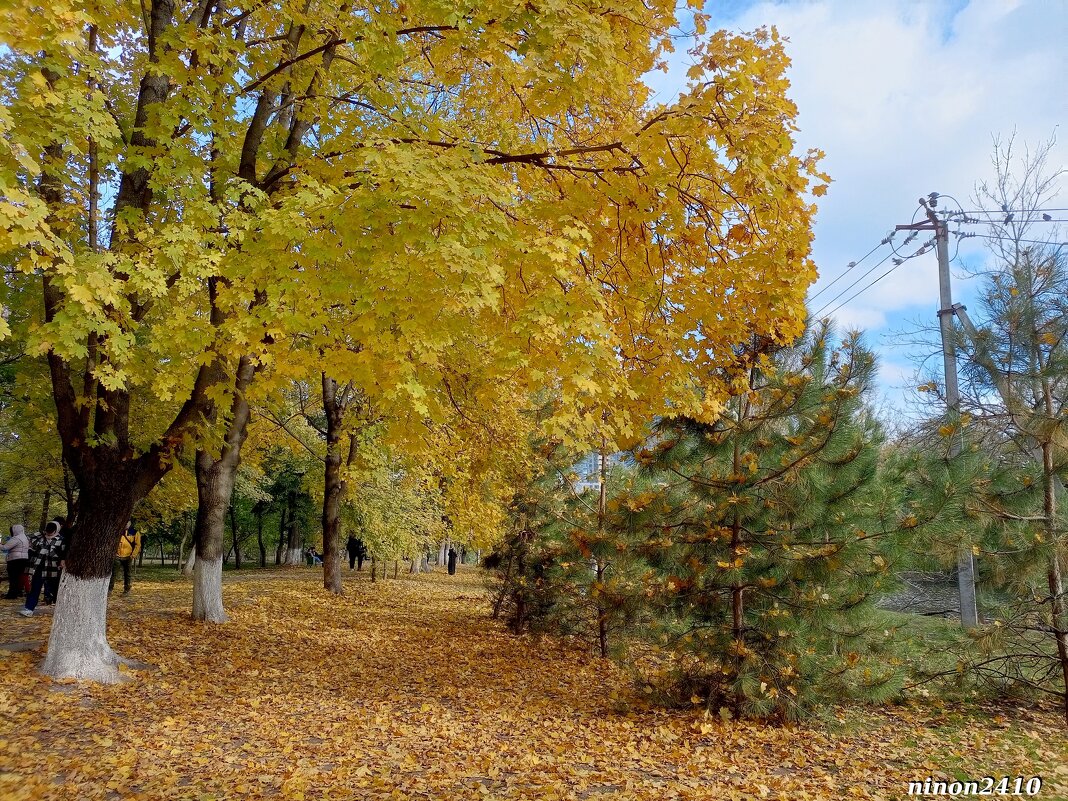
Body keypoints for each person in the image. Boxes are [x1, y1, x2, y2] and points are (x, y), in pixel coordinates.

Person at [20, 520, 66, 617]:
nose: (48, 534)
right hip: (39, 567)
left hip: (53, 568)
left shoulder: (61, 540)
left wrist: (62, 561)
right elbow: (31, 546)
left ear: (56, 531)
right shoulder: (39, 537)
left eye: (51, 532)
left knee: (55, 589)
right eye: (47, 531)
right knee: (35, 588)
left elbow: (63, 554)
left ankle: (62, 610)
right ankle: (29, 608)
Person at [108, 522, 141, 596]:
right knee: (113, 574)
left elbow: (137, 545)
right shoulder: (117, 530)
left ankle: (127, 590)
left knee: (127, 574)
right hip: (117, 556)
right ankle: (109, 590)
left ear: (130, 523)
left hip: (128, 556)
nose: (126, 524)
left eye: (127, 522)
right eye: (125, 522)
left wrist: (133, 555)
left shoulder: (134, 532)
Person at [2, 524, 30, 599]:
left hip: (15, 560)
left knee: (13, 577)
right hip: (24, 559)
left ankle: (12, 594)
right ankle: (18, 592)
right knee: (19, 577)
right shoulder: (25, 537)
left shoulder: (16, 538)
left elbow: (5, 547)